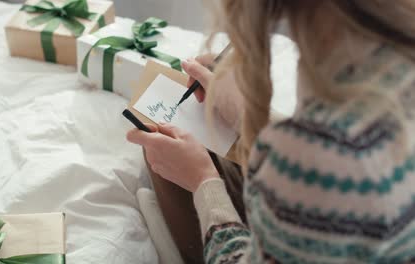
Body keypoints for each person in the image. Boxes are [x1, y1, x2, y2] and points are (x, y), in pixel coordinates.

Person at [128, 0, 415, 263]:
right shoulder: (388, 63)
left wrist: (203, 182)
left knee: (165, 154)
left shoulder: (320, 157)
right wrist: (248, 116)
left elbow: (323, 155)